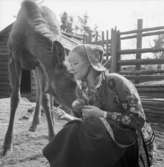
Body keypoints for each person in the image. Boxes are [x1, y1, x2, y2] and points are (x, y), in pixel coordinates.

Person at [43, 44, 155, 167]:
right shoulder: (83, 90)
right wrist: (67, 117)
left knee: (90, 129)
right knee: (72, 130)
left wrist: (102, 114)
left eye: (75, 63)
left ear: (91, 63)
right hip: (103, 140)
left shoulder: (116, 82)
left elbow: (138, 120)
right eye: (70, 64)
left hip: (130, 142)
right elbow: (86, 123)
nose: (71, 69)